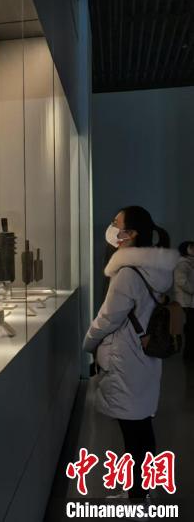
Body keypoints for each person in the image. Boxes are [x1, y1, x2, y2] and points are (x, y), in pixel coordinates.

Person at [83, 206, 178, 501]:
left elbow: (108, 318)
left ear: (132, 233)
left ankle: (138, 498)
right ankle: (142, 490)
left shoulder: (127, 273)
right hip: (146, 355)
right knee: (141, 426)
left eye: (117, 224)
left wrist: (88, 342)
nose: (112, 229)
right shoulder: (157, 269)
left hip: (126, 358)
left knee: (134, 431)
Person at [174, 240, 194, 361]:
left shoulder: (190, 263)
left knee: (191, 329)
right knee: (190, 329)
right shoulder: (182, 263)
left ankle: (189, 354)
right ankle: (188, 355)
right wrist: (192, 289)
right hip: (185, 303)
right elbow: (181, 281)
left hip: (190, 303)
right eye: (191, 247)